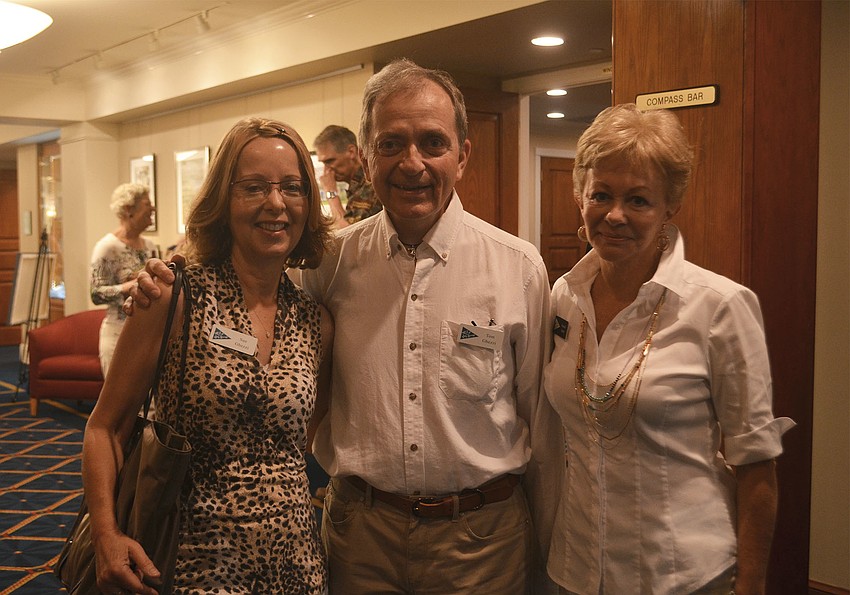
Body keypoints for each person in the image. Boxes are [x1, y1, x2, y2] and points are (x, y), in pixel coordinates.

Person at [131, 59, 562, 594]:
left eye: (433, 143)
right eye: (391, 144)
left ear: (462, 155)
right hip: (359, 537)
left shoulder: (518, 268)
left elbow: (540, 426)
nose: (413, 164)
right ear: (365, 156)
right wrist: (167, 281)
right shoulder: (326, 264)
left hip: (480, 544)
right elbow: (253, 293)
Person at [542, 103, 795, 595]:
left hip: (681, 575)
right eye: (601, 195)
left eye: (638, 200)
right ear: (579, 195)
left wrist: (751, 585)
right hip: (576, 569)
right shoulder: (563, 297)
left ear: (669, 206)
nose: (615, 215)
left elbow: (757, 464)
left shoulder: (719, 307)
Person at [82, 117, 334, 594]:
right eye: (255, 187)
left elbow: (304, 440)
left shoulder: (315, 320)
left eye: (293, 188)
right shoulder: (174, 298)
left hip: (296, 562)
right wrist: (106, 535)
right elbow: (105, 426)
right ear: (224, 200)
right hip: (191, 559)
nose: (276, 204)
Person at [90, 182, 157, 375]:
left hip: (148, 334)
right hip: (118, 334)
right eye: (147, 204)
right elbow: (96, 294)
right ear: (129, 209)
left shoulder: (150, 246)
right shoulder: (107, 247)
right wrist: (128, 287)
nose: (152, 208)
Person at [313, 124, 381, 227]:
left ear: (351, 152)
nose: (326, 170)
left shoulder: (371, 185)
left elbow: (350, 237)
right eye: (323, 163)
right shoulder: (356, 187)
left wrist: (330, 192)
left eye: (330, 161)